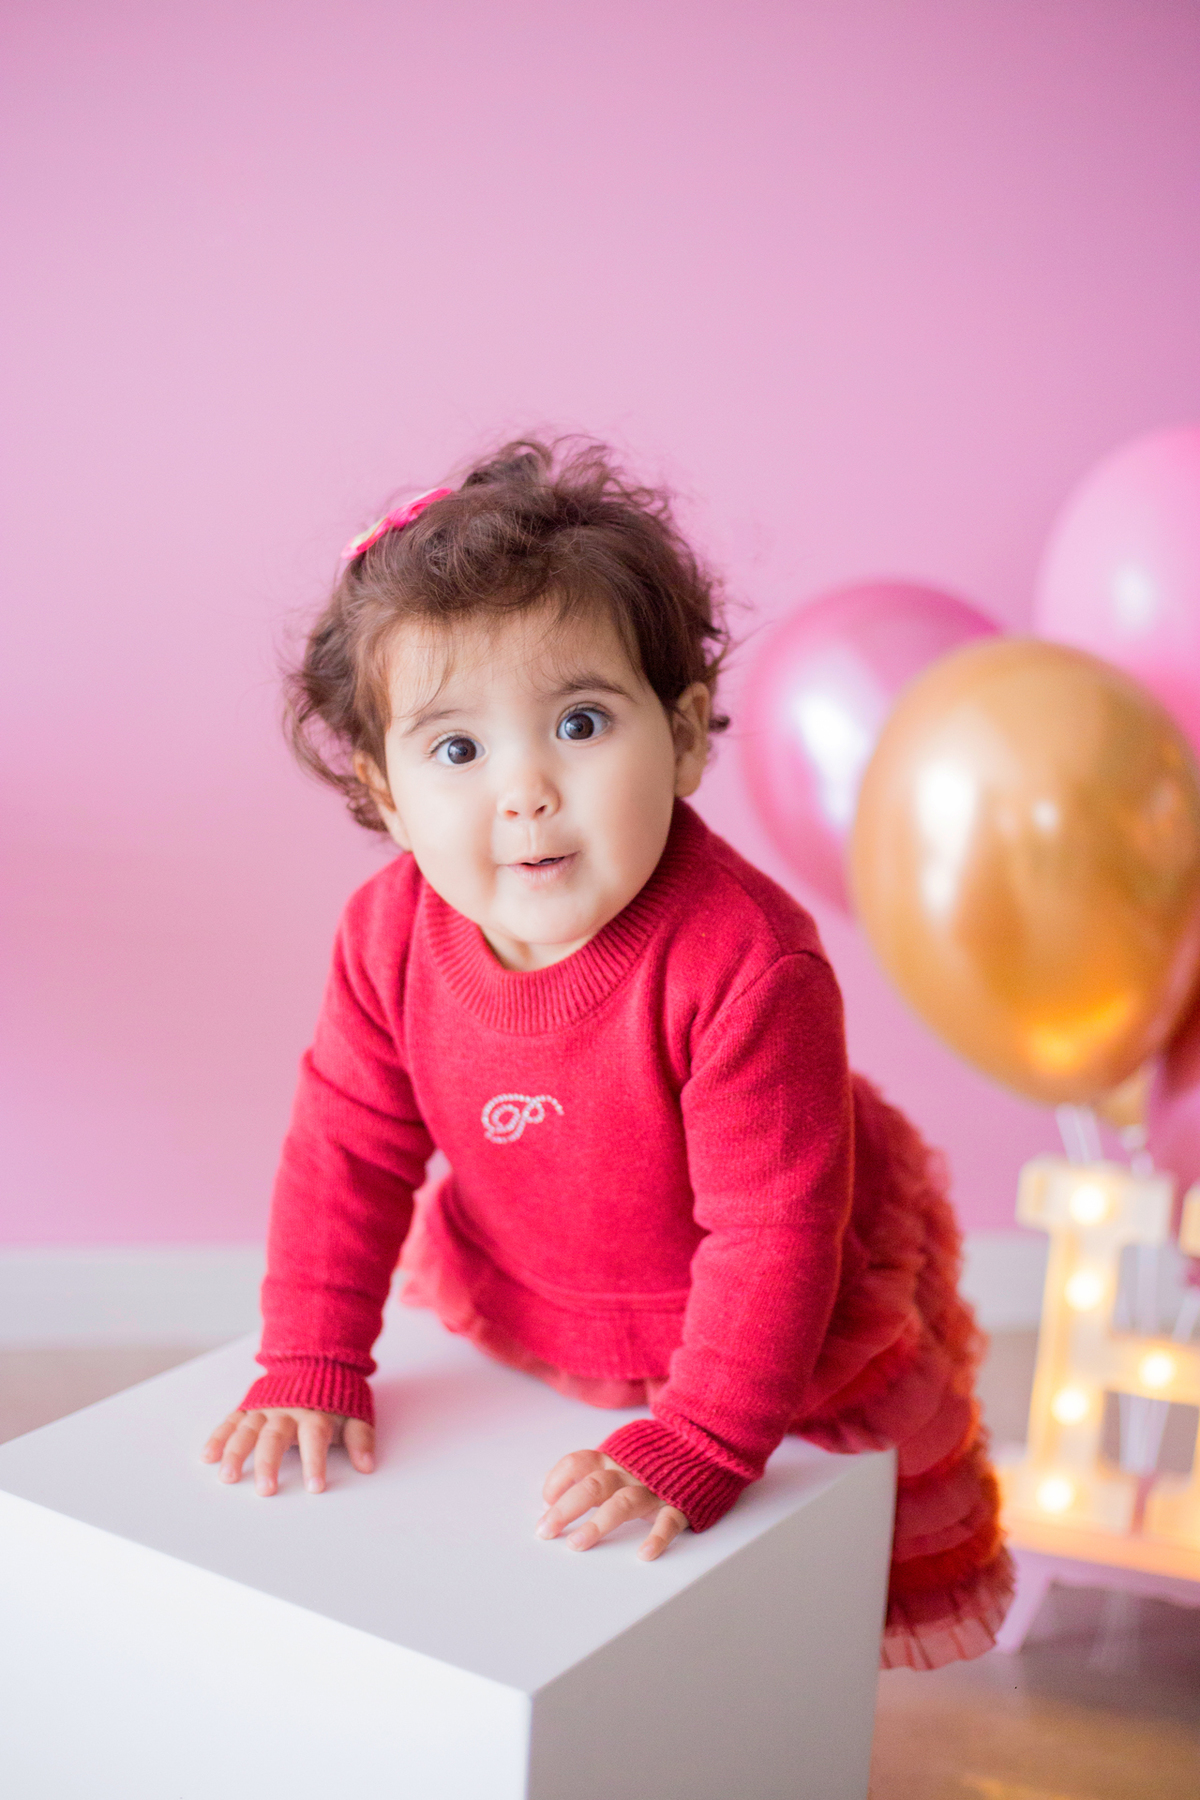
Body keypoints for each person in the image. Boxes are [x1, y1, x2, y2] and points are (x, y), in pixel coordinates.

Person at [202, 438, 1013, 1670]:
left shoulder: (747, 965)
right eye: (458, 750)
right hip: (534, 1274)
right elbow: (346, 1152)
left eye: (579, 723)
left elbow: (771, 1232)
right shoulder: (385, 936)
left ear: (682, 738)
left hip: (757, 1315)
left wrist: (702, 1438)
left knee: (777, 1634)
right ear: (386, 792)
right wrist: (311, 1355)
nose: (526, 790)